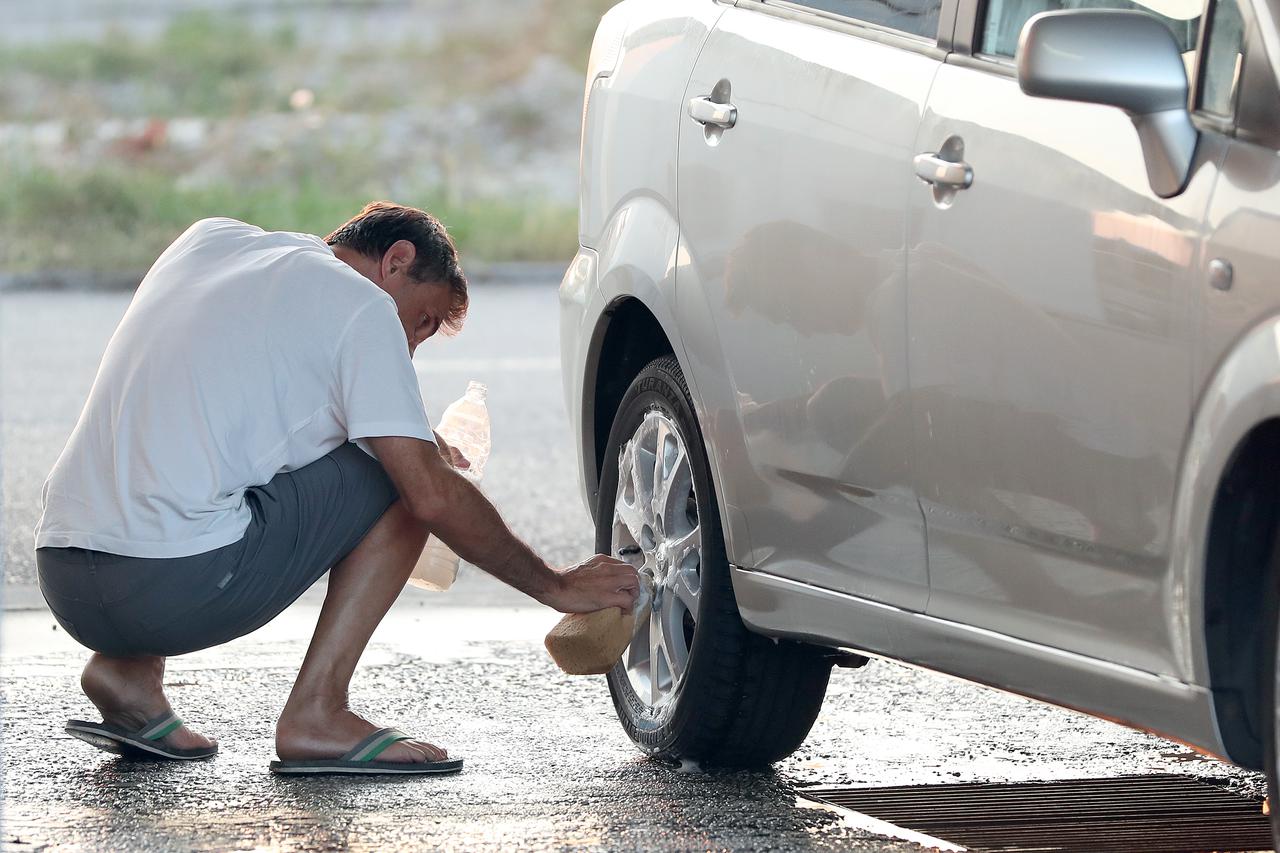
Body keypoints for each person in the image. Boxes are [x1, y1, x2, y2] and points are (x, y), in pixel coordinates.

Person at [33, 202, 639, 775]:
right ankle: (318, 713)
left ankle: (128, 675)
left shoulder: (208, 242)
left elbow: (238, 400)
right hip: (170, 588)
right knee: (406, 481)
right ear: (396, 261)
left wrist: (405, 430)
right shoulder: (364, 307)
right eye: (421, 322)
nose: (411, 347)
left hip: (65, 575)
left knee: (204, 462)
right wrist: (557, 586)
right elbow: (428, 493)